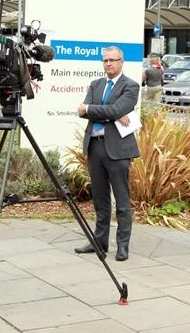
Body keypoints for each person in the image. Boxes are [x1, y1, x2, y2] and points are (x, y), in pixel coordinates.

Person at [76, 46, 140, 261]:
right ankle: (99, 242)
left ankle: (123, 246)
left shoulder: (130, 85)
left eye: (113, 60)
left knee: (122, 201)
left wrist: (94, 109)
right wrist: (112, 114)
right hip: (95, 147)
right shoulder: (96, 84)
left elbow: (110, 109)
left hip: (118, 150)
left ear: (122, 62)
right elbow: (83, 112)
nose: (108, 64)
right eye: (105, 60)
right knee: (100, 200)